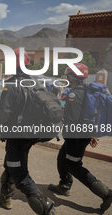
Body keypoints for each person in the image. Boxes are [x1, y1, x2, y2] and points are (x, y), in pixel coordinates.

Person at [0, 48, 56, 215]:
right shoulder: (35, 83)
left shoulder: (12, 85)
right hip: (32, 134)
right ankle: (4, 196)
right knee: (10, 165)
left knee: (20, 175)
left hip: (18, 136)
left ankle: (47, 210)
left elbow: (3, 113)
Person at [48, 63, 112, 214]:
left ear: (72, 77)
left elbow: (72, 118)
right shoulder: (88, 91)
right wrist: (90, 134)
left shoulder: (73, 94)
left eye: (68, 75)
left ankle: (106, 193)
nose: (67, 78)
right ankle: (64, 185)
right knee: (62, 157)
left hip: (75, 136)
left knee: (73, 166)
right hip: (82, 134)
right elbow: (89, 115)